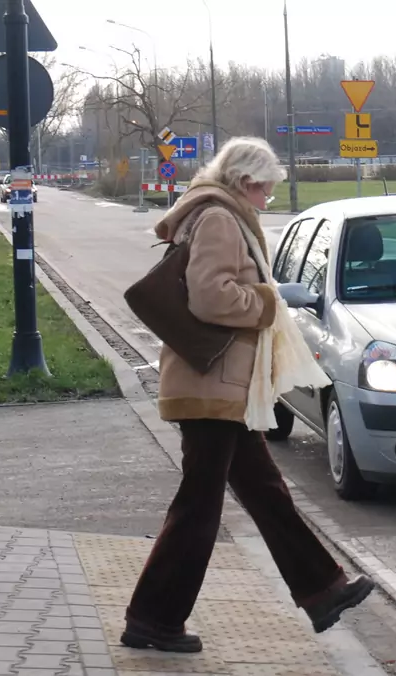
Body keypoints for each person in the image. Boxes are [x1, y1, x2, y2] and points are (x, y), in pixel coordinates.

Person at [121, 137, 373, 653]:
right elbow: (211, 296)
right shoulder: (218, 218)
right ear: (244, 182)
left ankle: (324, 591)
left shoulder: (221, 213)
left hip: (224, 385)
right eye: (265, 191)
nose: (267, 200)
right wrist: (271, 298)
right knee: (199, 507)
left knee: (264, 492)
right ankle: (153, 619)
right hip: (212, 386)